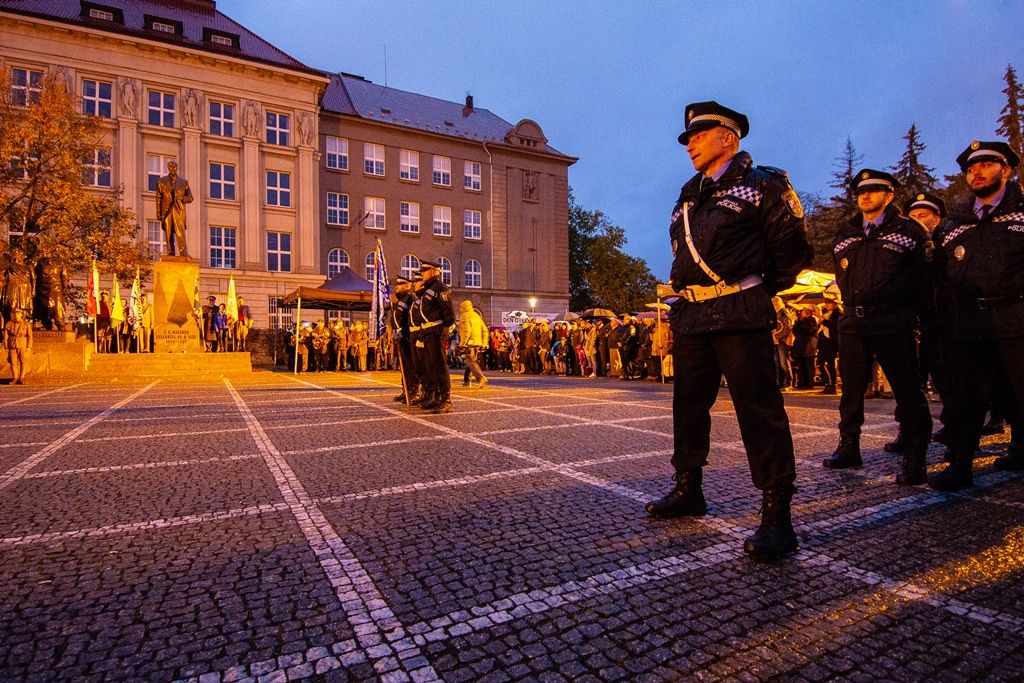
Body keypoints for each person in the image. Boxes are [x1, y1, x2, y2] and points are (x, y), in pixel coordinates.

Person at [645, 101, 812, 560]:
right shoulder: (687, 196)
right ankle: (688, 488)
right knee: (688, 408)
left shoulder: (763, 185)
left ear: (729, 138)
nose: (691, 144)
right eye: (688, 139)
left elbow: (791, 251)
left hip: (740, 307)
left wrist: (753, 289)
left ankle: (777, 516)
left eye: (700, 135)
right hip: (694, 315)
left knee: (759, 412)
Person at [825, 169, 932, 486]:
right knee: (851, 391)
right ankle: (849, 445)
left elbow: (924, 281)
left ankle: (915, 455)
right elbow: (841, 274)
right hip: (853, 321)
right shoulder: (846, 232)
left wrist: (917, 318)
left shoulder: (910, 231)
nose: (866, 196)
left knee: (907, 390)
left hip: (893, 319)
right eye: (861, 192)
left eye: (873, 191)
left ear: (889, 195)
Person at [929, 141, 1024, 488]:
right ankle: (961, 465)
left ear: (1007, 170)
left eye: (986, 164)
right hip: (969, 323)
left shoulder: (1021, 210)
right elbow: (941, 273)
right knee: (967, 399)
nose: (977, 172)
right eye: (971, 168)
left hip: (1017, 316)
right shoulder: (956, 219)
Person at [409, 260, 456, 413]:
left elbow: (448, 312)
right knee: (430, 366)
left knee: (439, 366)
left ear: (434, 272)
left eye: (424, 271)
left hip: (436, 332)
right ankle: (435, 397)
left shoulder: (440, 288)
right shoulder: (427, 291)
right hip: (427, 332)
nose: (421, 274)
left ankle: (445, 399)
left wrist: (443, 328)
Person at [156, 161, 193, 257]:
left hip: (178, 209)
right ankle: (170, 252)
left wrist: (183, 199)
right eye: (170, 167)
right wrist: (158, 212)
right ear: (168, 168)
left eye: (174, 167)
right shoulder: (161, 181)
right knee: (168, 232)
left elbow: (191, 197)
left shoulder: (184, 182)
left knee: (179, 231)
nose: (172, 168)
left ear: (177, 168)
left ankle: (183, 252)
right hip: (167, 210)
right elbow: (158, 198)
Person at [457, 299, 490, 388]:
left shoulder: (464, 316)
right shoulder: (476, 316)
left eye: (461, 307)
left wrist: (462, 343)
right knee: (471, 361)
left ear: (464, 307)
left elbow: (466, 331)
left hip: (469, 342)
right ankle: (467, 381)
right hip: (477, 342)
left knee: (470, 362)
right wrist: (484, 342)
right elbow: (485, 330)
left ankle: (480, 378)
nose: (460, 309)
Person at [4, 308, 32, 384]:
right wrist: (6, 347)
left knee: (23, 362)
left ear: (21, 315)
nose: (16, 315)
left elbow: (29, 336)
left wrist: (29, 346)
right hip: (12, 345)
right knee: (13, 362)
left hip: (22, 344)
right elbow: (6, 336)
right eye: (15, 313)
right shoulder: (8, 323)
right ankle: (15, 378)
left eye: (18, 314)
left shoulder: (26, 324)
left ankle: (21, 378)